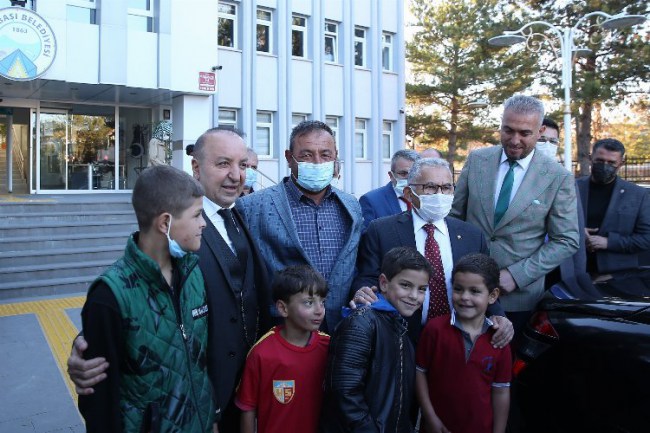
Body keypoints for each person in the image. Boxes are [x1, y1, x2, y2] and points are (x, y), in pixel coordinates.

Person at [68, 127, 273, 433]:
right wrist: (88, 345)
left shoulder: (244, 213)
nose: (236, 175)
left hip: (230, 401)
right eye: (223, 164)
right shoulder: (177, 236)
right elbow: (139, 297)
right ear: (196, 168)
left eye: (243, 165)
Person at [78, 165, 216, 433]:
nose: (204, 223)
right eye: (197, 215)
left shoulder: (193, 273)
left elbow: (200, 364)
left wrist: (211, 418)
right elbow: (99, 403)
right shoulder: (109, 295)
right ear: (165, 223)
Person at [450, 95, 580, 335]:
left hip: (517, 298)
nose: (514, 140)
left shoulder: (557, 177)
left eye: (524, 133)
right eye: (508, 130)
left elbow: (566, 240)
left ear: (540, 131)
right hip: (463, 289)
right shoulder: (477, 160)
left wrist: (516, 275)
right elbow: (454, 218)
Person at [353, 157, 512, 347]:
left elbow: (486, 283)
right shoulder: (382, 230)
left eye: (446, 188)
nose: (439, 194)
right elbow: (368, 277)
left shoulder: (471, 235)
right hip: (400, 337)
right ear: (409, 193)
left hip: (457, 339)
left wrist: (498, 315)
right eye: (430, 187)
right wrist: (362, 291)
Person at [236, 120, 363, 333]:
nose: (317, 162)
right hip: (282, 333)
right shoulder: (252, 207)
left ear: (335, 156)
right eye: (306, 155)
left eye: (325, 155)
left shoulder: (351, 206)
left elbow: (356, 266)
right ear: (289, 158)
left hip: (341, 331)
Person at [320, 246, 432, 433]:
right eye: (405, 285)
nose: (414, 296)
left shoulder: (400, 328)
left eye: (422, 289)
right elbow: (344, 390)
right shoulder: (362, 322)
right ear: (384, 283)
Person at [416, 253, 511, 433]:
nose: (465, 297)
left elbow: (501, 391)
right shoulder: (434, 330)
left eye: (474, 291)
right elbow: (420, 373)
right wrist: (430, 417)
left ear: (492, 295)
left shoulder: (499, 340)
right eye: (458, 289)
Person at [235, 265, 330, 433]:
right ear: (283, 308)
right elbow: (248, 408)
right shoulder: (262, 353)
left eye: (322, 302)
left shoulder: (329, 346)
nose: (319, 310)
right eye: (309, 303)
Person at [577, 138, 650, 277]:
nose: (605, 166)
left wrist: (609, 242)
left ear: (621, 163)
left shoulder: (638, 195)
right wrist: (578, 232)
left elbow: (646, 239)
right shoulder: (571, 188)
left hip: (618, 275)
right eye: (600, 160)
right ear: (591, 158)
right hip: (573, 271)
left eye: (611, 163)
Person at [358, 149, 420, 228]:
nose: (409, 178)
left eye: (413, 174)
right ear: (391, 175)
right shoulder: (371, 200)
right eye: (403, 173)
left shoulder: (426, 199)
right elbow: (367, 233)